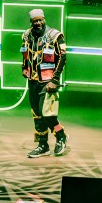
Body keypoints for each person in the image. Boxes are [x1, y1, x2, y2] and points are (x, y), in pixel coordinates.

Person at [20, 9, 68, 158]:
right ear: (31, 22)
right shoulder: (27, 35)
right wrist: (24, 67)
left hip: (48, 81)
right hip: (32, 80)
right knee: (36, 113)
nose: (39, 23)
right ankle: (43, 145)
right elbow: (25, 53)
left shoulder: (55, 35)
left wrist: (55, 80)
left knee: (46, 112)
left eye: (41, 20)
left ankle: (61, 136)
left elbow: (63, 57)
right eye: (36, 21)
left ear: (44, 19)